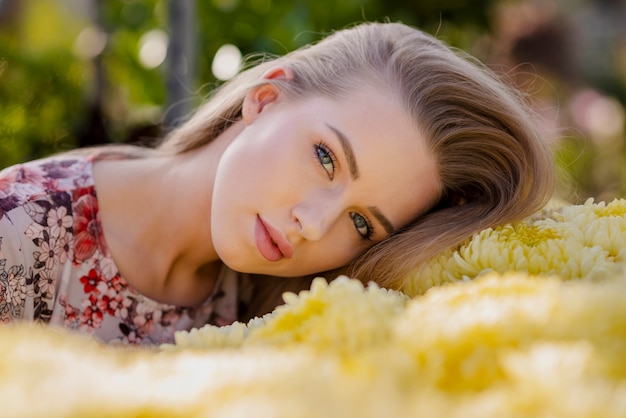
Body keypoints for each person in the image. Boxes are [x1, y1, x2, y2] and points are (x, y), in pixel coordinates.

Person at [0, 22, 554, 345]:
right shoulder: (19, 234)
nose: (313, 224)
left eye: (361, 223)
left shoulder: (282, 306)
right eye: (326, 158)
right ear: (265, 99)